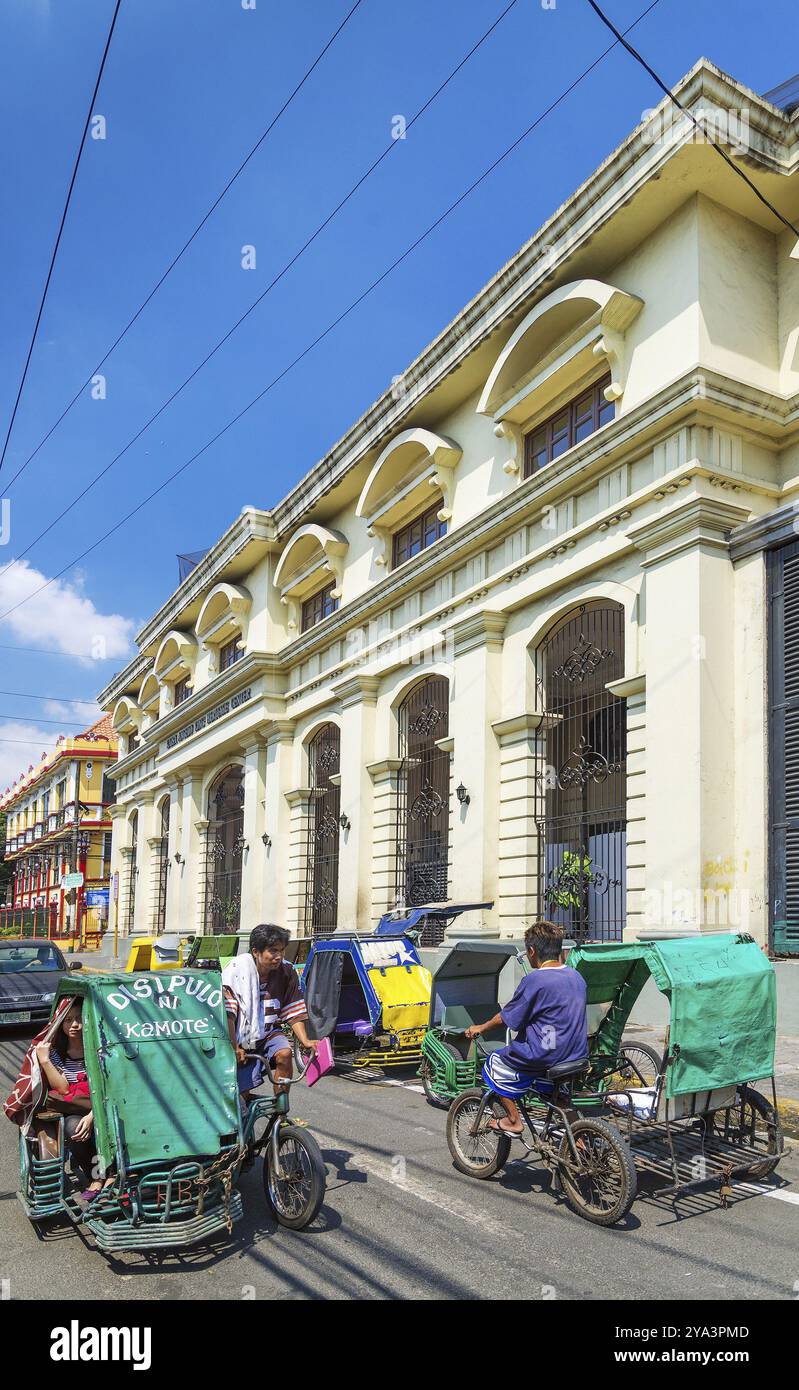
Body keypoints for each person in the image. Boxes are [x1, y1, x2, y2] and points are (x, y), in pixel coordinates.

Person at [464, 920, 588, 1137]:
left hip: (544, 1054)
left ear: (531, 951)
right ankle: (579, 1141)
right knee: (560, 1098)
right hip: (575, 1053)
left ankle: (513, 1120)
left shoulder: (536, 980)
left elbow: (507, 1018)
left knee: (494, 1064)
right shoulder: (576, 976)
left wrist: (481, 1027)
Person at [222, 924, 318, 1097]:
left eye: (281, 951)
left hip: (268, 1031)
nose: (279, 956)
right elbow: (228, 1014)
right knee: (241, 1099)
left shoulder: (287, 971)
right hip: (239, 1036)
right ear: (255, 952)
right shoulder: (236, 970)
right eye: (273, 951)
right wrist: (234, 1046)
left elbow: (293, 1010)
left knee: (285, 1054)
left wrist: (305, 1040)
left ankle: (281, 1111)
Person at [34, 1000, 107, 1200]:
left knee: (114, 1126)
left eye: (79, 1019)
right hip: (75, 1108)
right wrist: (45, 1060)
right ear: (61, 1025)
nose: (74, 1024)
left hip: (103, 1105)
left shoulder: (101, 1048)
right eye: (68, 1020)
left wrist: (93, 1116)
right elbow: (63, 1088)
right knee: (74, 1130)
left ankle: (116, 1175)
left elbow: (108, 1086)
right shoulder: (58, 1055)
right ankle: (97, 1177)